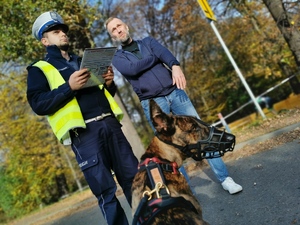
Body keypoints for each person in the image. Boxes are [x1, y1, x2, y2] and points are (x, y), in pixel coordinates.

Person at [105, 17, 243, 195]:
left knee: (202, 133)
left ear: (126, 26)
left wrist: (175, 65)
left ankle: (225, 179)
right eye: (113, 30)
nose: (118, 30)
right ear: (113, 37)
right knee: (169, 146)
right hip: (153, 102)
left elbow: (167, 55)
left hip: (175, 92)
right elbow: (133, 69)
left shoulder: (148, 41)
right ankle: (185, 191)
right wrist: (156, 57)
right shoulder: (117, 57)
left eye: (119, 26)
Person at [27, 12, 138, 225]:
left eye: (64, 31)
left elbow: (102, 96)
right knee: (107, 193)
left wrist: (108, 84)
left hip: (111, 126)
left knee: (135, 182)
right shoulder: (39, 69)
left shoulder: (83, 60)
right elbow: (38, 104)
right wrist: (69, 87)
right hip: (85, 137)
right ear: (44, 41)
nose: (63, 34)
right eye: (56, 31)